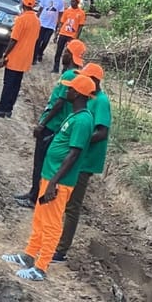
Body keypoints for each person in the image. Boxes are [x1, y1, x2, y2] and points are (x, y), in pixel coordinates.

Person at [1, 73, 96, 281]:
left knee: (51, 223)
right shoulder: (75, 115)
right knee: (40, 218)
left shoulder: (82, 121)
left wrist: (54, 181)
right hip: (50, 176)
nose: (67, 90)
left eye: (70, 89)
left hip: (59, 182)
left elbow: (74, 153)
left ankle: (41, 266)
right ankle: (28, 255)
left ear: (78, 93)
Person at [14, 38, 85, 207]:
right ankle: (33, 192)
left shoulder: (69, 75)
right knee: (41, 162)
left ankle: (34, 197)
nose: (63, 55)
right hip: (57, 126)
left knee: (40, 162)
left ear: (70, 55)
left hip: (52, 126)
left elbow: (59, 103)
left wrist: (42, 123)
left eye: (66, 52)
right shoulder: (75, 75)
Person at [52, 62, 111, 263]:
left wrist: (79, 142)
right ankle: (55, 239)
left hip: (84, 160)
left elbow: (102, 132)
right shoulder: (89, 98)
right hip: (78, 157)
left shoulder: (101, 101)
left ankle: (61, 250)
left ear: (94, 81)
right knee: (63, 200)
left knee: (72, 205)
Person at [0, 0, 40, 117]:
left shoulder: (21, 19)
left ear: (23, 4)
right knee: (16, 85)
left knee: (8, 84)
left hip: (15, 57)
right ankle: (9, 109)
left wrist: (5, 55)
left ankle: (1, 108)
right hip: (26, 59)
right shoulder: (37, 21)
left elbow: (14, 39)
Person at [52, 0, 86, 73]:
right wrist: (57, 34)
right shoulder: (67, 11)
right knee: (58, 52)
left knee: (68, 54)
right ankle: (55, 68)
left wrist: (76, 38)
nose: (72, 2)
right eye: (71, 0)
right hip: (63, 34)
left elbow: (80, 27)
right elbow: (62, 23)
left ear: (77, 2)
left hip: (71, 36)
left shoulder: (81, 13)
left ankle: (64, 69)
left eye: (74, 1)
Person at [34, 0, 64, 64]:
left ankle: (40, 53)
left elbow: (60, 14)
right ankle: (34, 56)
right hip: (42, 22)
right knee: (38, 40)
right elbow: (40, 10)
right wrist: (36, 19)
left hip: (51, 25)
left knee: (45, 40)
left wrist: (58, 25)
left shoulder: (60, 2)